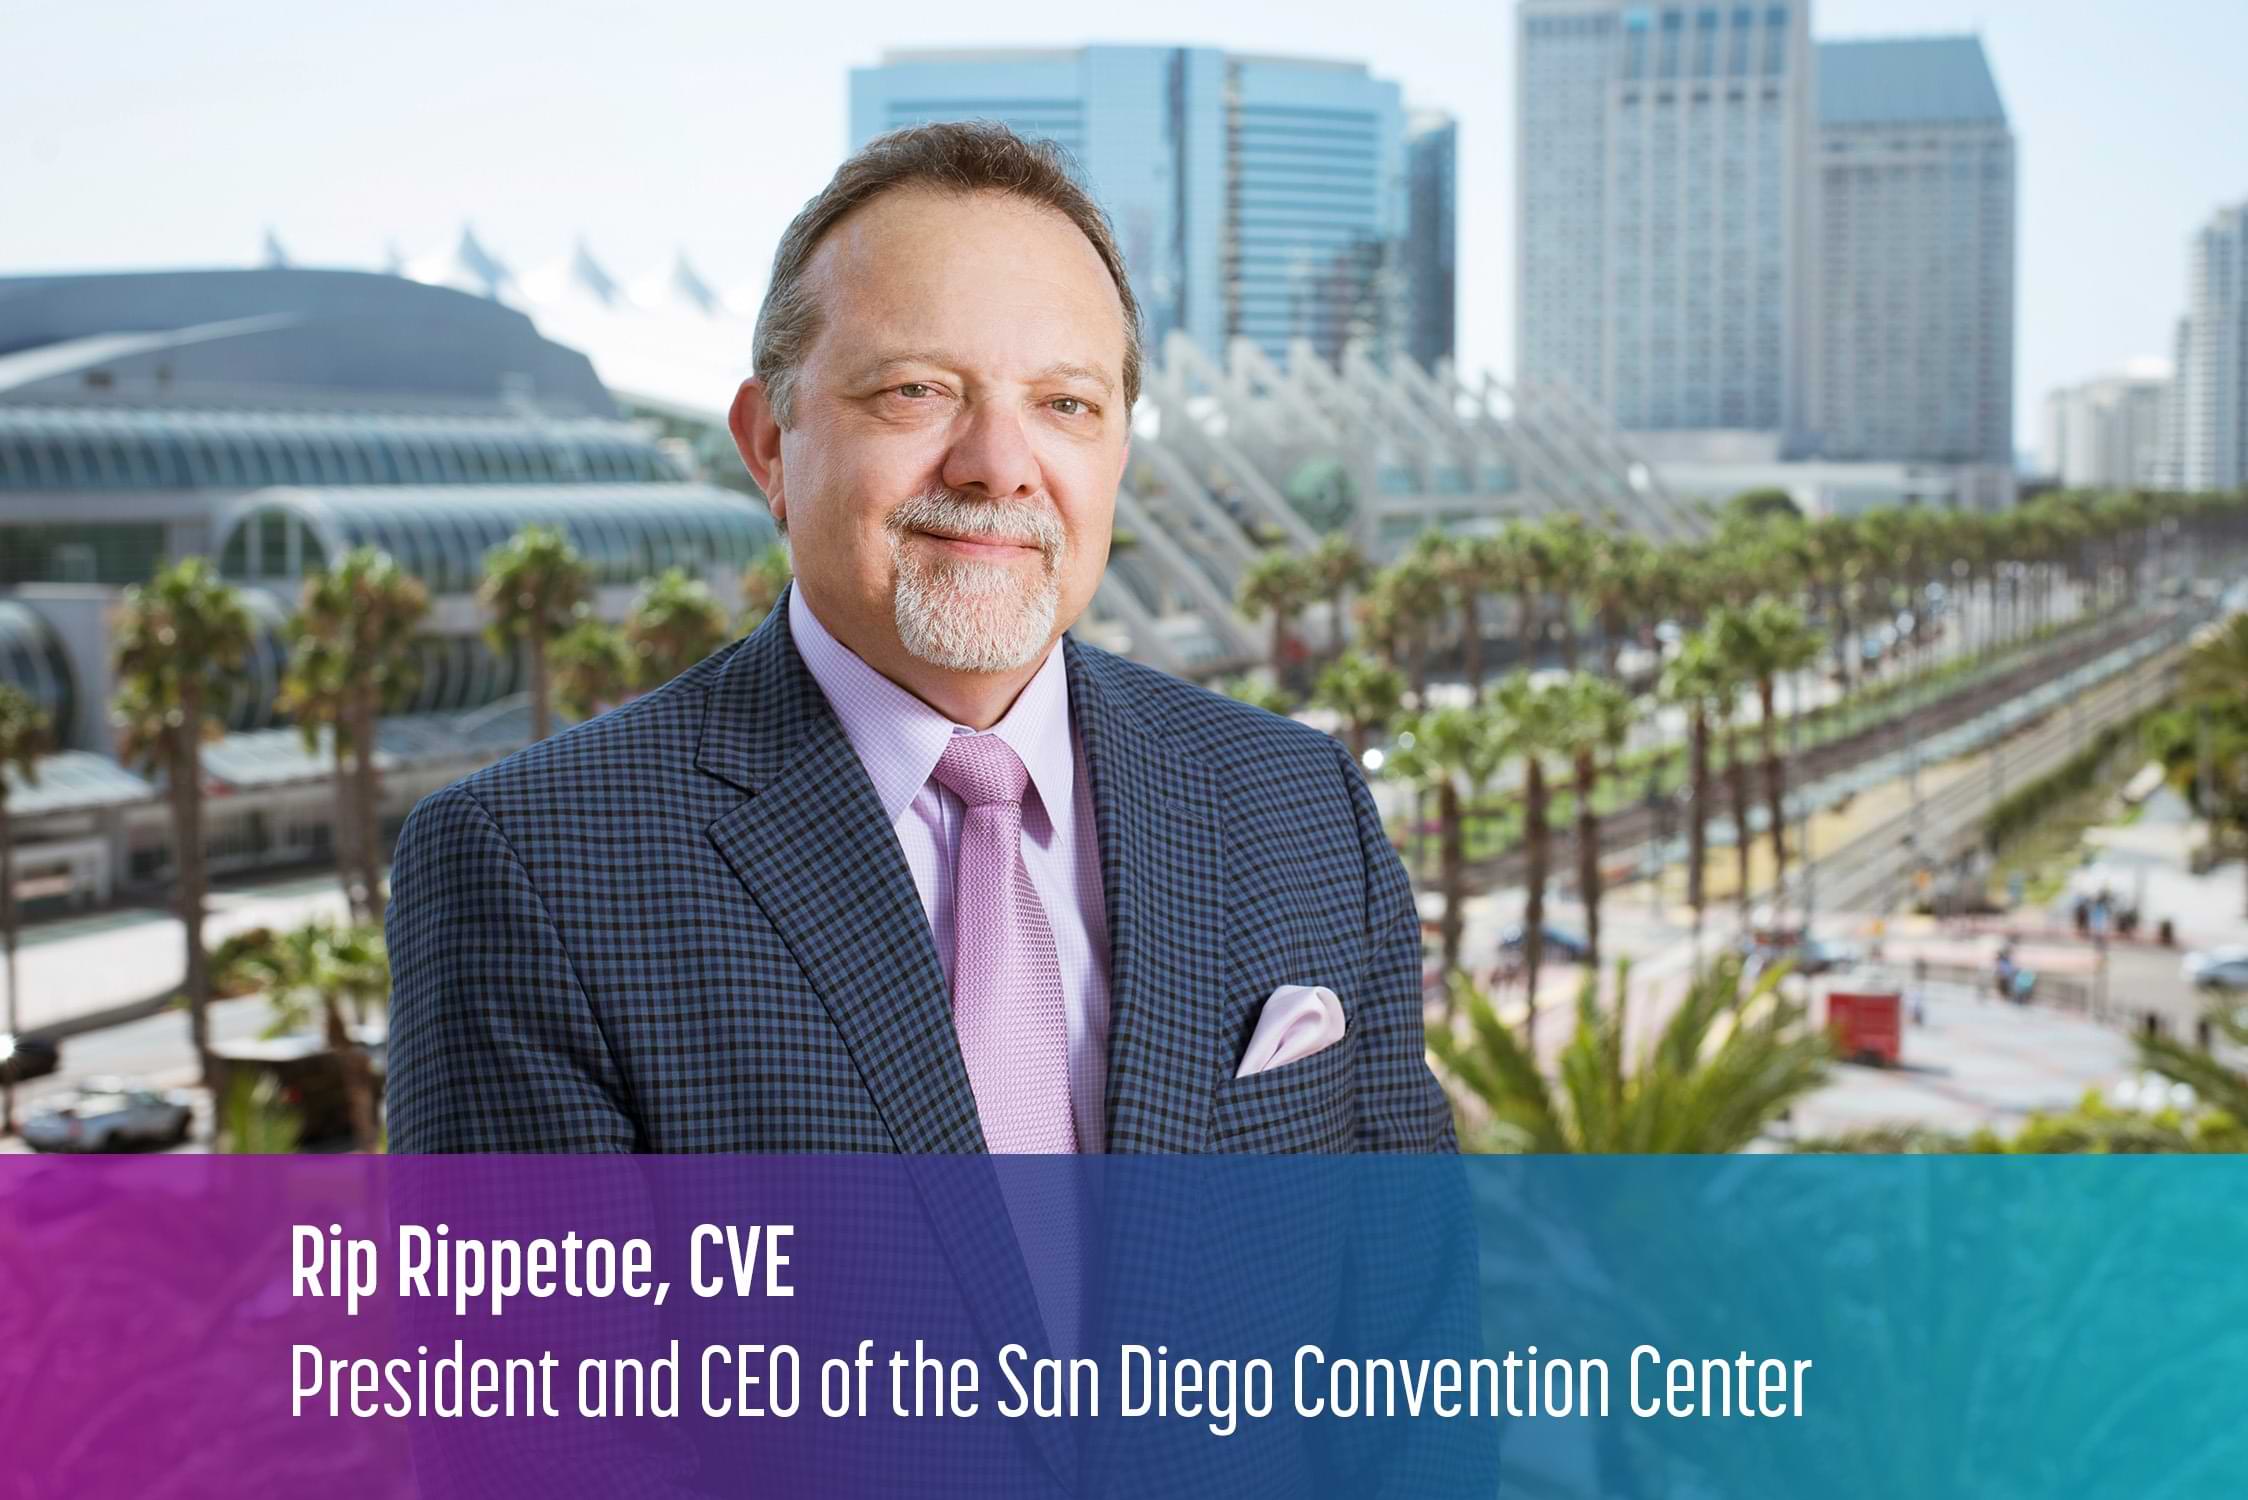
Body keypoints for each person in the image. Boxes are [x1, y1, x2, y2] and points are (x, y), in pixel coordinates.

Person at [383, 123, 1455, 1160]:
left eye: (1065, 404)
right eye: (916, 392)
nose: (997, 463)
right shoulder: (531, 869)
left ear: (1120, 448)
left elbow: (1407, 1306)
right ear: (768, 444)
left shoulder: (1300, 805)